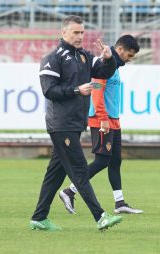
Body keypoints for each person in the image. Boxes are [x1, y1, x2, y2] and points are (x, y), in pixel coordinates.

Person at [30, 15, 123, 231]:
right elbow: (48, 90)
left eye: (82, 32)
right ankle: (100, 217)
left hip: (73, 124)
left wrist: (109, 59)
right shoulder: (53, 58)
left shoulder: (84, 57)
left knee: (55, 173)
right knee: (80, 169)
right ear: (64, 33)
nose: (80, 36)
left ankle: (39, 217)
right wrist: (76, 90)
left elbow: (103, 72)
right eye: (76, 32)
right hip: (61, 124)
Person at [59, 35, 143, 215]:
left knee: (115, 160)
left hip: (113, 119)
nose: (129, 60)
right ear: (120, 50)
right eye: (129, 55)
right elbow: (97, 91)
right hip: (102, 119)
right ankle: (70, 191)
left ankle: (119, 203)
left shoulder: (115, 64)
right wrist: (103, 118)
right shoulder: (106, 64)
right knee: (102, 160)